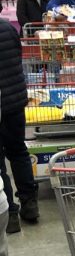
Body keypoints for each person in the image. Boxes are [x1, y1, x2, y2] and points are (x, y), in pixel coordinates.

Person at [0, 18, 39, 233]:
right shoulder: (8, 28)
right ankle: (30, 203)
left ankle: (10, 214)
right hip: (14, 101)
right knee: (18, 151)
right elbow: (17, 56)